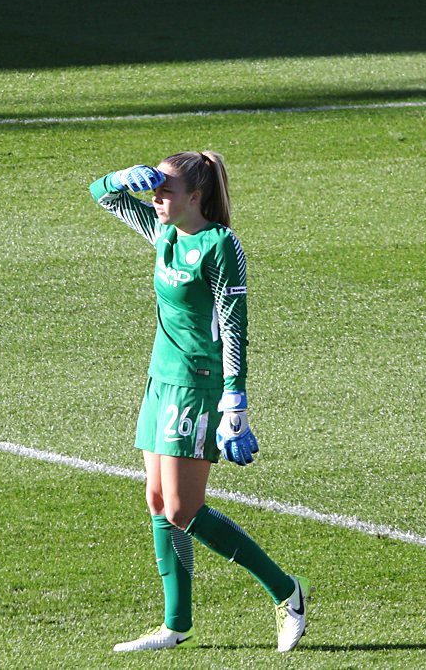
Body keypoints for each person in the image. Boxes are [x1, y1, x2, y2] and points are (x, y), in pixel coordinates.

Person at [88, 153, 311, 653]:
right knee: (157, 502)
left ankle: (286, 592)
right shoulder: (163, 231)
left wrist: (236, 403)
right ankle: (175, 625)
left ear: (196, 197)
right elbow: (101, 194)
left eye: (165, 190)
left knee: (184, 509)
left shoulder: (220, 245)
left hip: (199, 384)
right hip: (159, 381)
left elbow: (234, 325)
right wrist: (118, 177)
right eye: (153, 188)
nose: (155, 197)